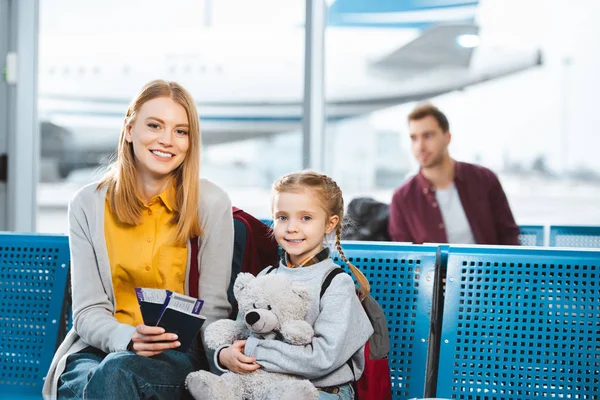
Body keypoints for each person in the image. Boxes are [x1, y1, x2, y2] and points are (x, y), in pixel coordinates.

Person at [43, 80, 234, 400]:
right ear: (129, 129)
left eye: (180, 131)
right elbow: (87, 312)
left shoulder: (210, 203)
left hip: (179, 356)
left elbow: (213, 310)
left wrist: (220, 353)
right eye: (155, 125)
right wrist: (128, 338)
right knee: (104, 376)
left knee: (112, 378)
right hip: (98, 350)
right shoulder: (88, 204)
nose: (166, 140)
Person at [217, 171, 374, 400]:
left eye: (306, 218)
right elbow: (241, 333)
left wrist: (253, 350)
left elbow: (321, 359)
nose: (291, 228)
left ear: (330, 224)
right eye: (282, 217)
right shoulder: (266, 276)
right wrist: (224, 355)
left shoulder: (336, 284)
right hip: (266, 387)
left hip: (323, 392)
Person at [388, 103, 519, 245]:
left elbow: (508, 236)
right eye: (414, 138)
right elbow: (402, 258)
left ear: (447, 137)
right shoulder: (402, 198)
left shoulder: (485, 180)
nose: (420, 146)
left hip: (488, 266)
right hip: (432, 268)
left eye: (428, 136)